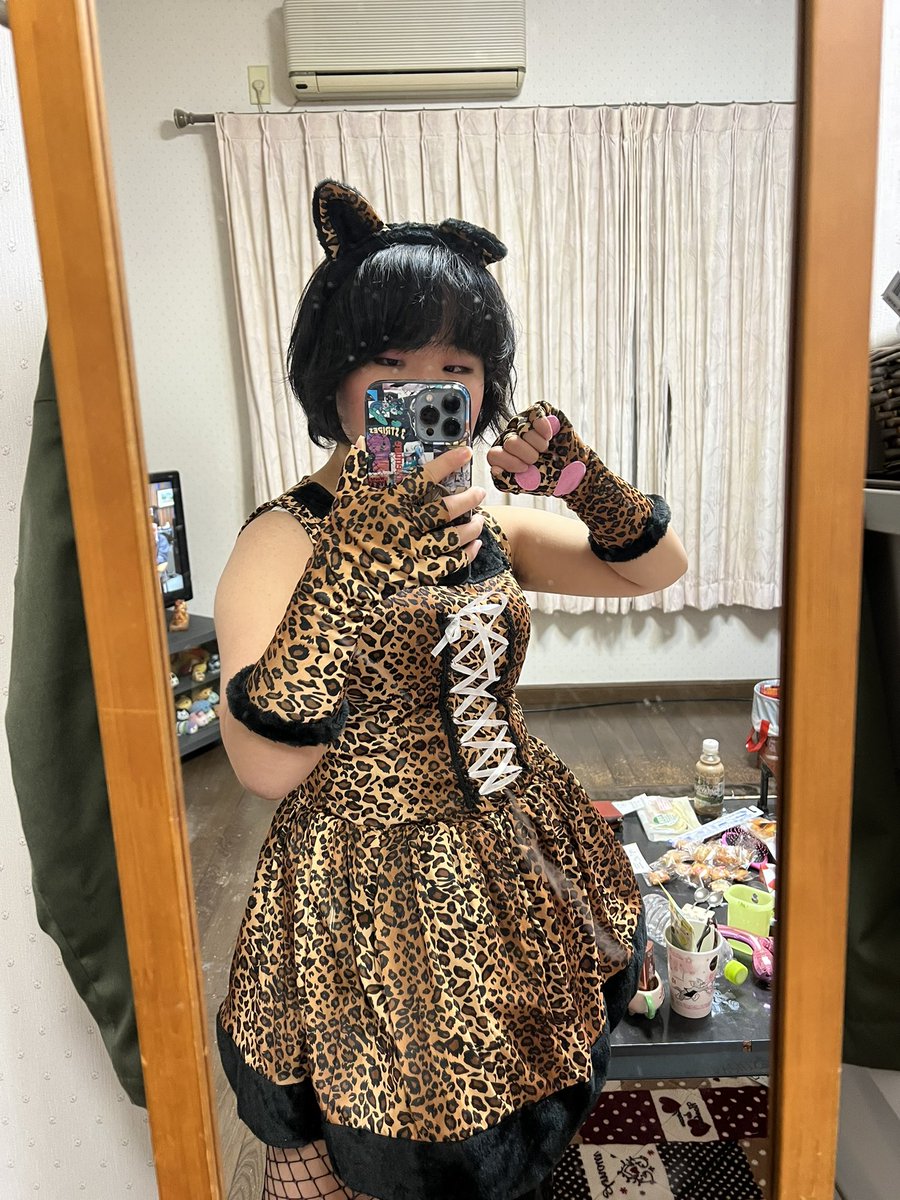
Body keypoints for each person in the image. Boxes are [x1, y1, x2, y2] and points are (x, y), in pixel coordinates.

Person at [214, 180, 688, 1200]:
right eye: (390, 364)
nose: (423, 389)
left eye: (456, 368)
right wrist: (352, 564)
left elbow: (652, 571)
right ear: (334, 376)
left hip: (512, 843)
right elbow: (259, 767)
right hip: (367, 883)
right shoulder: (282, 539)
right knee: (376, 1137)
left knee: (513, 1108)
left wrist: (576, 477)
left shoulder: (488, 520)